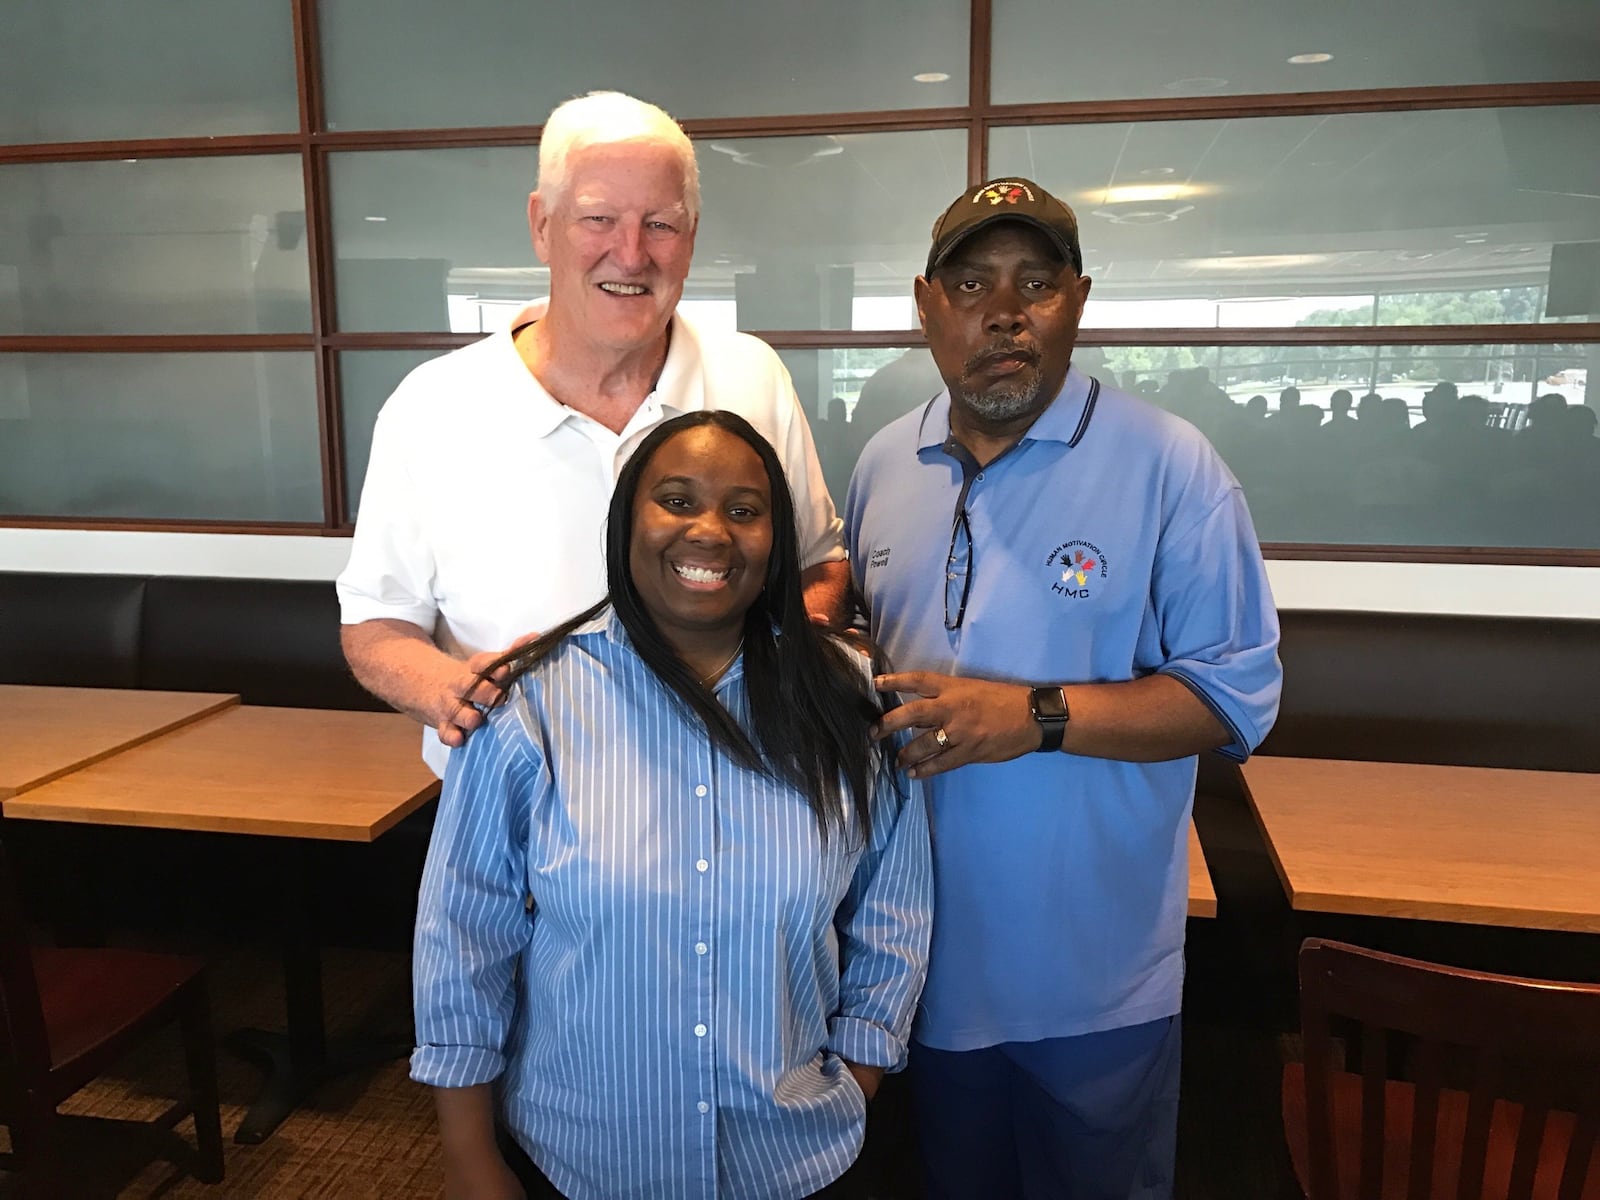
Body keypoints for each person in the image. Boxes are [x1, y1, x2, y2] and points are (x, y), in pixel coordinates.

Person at [845, 178, 1282, 1199]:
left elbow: (1233, 698)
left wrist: (1031, 717)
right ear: (925, 303)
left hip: (1097, 987)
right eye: (970, 283)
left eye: (1035, 283)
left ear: (1078, 301)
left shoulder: (1172, 465)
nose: (1002, 311)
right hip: (917, 974)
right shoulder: (881, 463)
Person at [413, 411, 932, 1200]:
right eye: (678, 501)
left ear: (776, 540)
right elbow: (462, 933)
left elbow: (893, 909)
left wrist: (857, 1072)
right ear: (627, 523)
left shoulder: (845, 698)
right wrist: (467, 1155)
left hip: (792, 1157)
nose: (711, 532)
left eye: (745, 510)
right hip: (581, 1155)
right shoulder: (533, 703)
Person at [337, 92, 848, 776]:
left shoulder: (751, 377)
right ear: (542, 225)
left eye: (660, 224)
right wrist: (443, 690)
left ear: (692, 236)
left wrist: (794, 658)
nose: (631, 254)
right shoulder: (430, 407)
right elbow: (376, 624)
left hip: (736, 808)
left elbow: (820, 564)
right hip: (514, 823)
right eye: (598, 219)